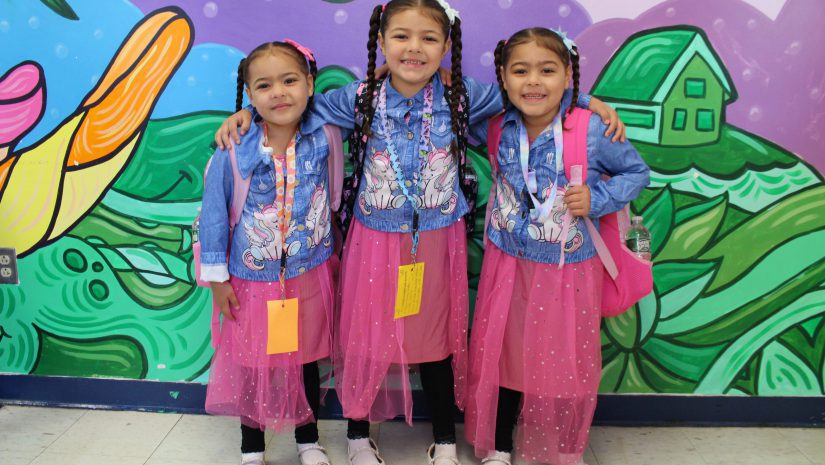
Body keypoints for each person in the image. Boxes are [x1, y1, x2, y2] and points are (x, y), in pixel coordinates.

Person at [212, 3, 624, 465]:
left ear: (446, 47)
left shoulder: (463, 96)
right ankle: (357, 435)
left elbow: (524, 93)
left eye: (429, 38)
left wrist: (584, 101)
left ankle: (445, 439)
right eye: (402, 37)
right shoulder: (359, 98)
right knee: (365, 338)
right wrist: (247, 113)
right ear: (383, 43)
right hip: (373, 239)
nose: (414, 48)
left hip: (437, 238)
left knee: (438, 339)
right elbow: (295, 108)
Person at [463, 27, 650, 465]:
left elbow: (636, 173)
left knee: (564, 360)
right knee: (505, 355)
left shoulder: (591, 129)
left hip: (568, 271)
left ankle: (562, 448)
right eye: (520, 71)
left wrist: (598, 199)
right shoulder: (494, 125)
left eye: (547, 71)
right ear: (504, 80)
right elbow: (450, 95)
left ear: (568, 76)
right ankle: (500, 447)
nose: (533, 82)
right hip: (507, 263)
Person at [199, 39, 341, 465]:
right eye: (264, 86)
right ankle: (252, 444)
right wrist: (217, 281)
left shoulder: (326, 134)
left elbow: (331, 201)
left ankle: (308, 438)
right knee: (253, 363)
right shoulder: (235, 149)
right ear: (250, 95)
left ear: (310, 84)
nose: (278, 92)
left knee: (304, 360)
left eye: (290, 81)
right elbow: (211, 214)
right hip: (251, 278)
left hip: (308, 271)